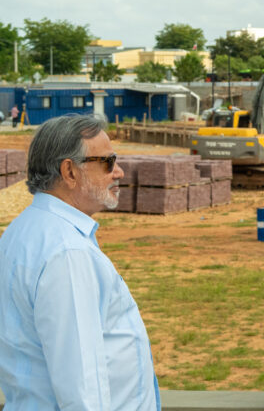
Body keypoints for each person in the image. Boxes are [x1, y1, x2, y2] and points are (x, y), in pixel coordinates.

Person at [0, 114, 160, 409]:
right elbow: (83, 386)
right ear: (70, 172)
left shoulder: (24, 230)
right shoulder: (67, 252)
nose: (119, 172)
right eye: (108, 162)